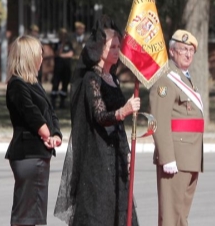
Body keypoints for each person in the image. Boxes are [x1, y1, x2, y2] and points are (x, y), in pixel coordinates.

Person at [54, 15, 140, 226]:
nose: (117, 51)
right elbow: (100, 116)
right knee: (99, 209)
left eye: (119, 46)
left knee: (119, 207)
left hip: (116, 153)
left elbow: (118, 127)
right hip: (97, 154)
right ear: (99, 49)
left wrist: (126, 153)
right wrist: (124, 110)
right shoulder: (91, 79)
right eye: (112, 47)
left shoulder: (114, 78)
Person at [5, 35, 63, 226]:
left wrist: (55, 135)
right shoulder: (17, 85)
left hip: (39, 154)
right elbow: (32, 114)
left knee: (32, 215)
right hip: (28, 155)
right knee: (25, 216)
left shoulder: (34, 83)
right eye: (39, 54)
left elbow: (50, 112)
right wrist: (46, 133)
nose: (42, 59)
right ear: (29, 57)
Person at [149, 29, 204, 226]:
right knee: (171, 216)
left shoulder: (185, 78)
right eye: (183, 49)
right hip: (176, 159)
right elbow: (159, 120)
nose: (188, 54)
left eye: (191, 50)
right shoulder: (166, 79)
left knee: (181, 216)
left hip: (190, 157)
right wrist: (167, 157)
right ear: (172, 52)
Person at [50, 28, 74, 109]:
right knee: (55, 84)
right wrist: (61, 47)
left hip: (66, 68)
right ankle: (53, 101)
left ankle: (62, 102)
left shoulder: (69, 44)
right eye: (61, 35)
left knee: (65, 84)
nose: (63, 37)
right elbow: (56, 53)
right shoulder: (57, 44)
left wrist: (61, 55)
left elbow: (70, 54)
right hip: (58, 68)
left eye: (64, 35)